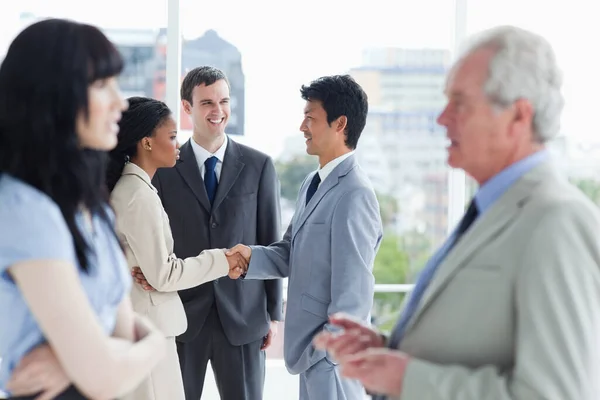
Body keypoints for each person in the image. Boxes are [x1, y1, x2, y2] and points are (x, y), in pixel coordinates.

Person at [314, 26, 600, 400]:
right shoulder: (491, 208)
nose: (442, 118)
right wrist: (391, 350)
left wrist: (407, 379)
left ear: (518, 116)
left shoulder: (558, 220)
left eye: (460, 103)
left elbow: (557, 393)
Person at [0, 19, 166, 399]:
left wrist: (75, 359)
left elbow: (119, 335)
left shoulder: (94, 209)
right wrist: (153, 342)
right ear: (53, 96)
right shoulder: (23, 210)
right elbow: (104, 376)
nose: (120, 101)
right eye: (101, 85)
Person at [227, 74, 383, 400]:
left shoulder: (355, 194)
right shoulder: (312, 182)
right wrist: (250, 257)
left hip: (329, 361)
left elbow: (353, 300)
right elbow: (290, 251)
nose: (302, 127)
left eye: (310, 118)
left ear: (340, 124)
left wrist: (321, 352)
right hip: (311, 357)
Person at [144, 66, 283, 400]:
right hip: (181, 315)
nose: (217, 110)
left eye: (223, 101)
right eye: (207, 102)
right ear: (188, 108)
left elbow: (271, 242)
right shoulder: (164, 169)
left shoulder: (259, 165)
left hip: (244, 315)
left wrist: (273, 315)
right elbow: (153, 234)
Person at [104, 96, 248, 400]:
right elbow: (165, 275)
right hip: (150, 327)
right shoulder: (138, 195)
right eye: (171, 137)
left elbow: (156, 273)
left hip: (147, 325)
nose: (178, 144)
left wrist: (158, 274)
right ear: (146, 142)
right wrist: (221, 260)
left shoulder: (136, 190)